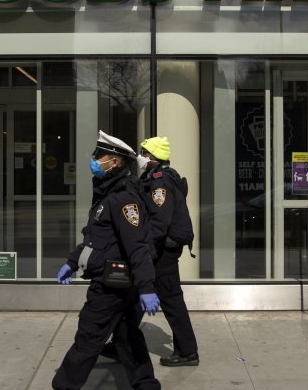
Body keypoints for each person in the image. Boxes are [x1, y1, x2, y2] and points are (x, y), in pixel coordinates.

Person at [52, 131, 161, 390]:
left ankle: (64, 386)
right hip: (116, 281)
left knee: (89, 336)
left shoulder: (123, 197)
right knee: (126, 335)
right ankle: (146, 384)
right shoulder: (108, 194)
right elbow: (96, 238)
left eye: (98, 156)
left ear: (114, 162)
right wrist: (72, 261)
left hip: (112, 283)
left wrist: (147, 288)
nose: (94, 160)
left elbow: (137, 246)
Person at [137, 136, 199, 367]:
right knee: (135, 295)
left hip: (162, 251)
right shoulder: (155, 178)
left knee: (171, 300)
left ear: (153, 157)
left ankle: (187, 352)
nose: (140, 157)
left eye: (144, 153)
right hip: (160, 249)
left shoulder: (160, 182)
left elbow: (159, 223)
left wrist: (141, 247)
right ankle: (122, 342)